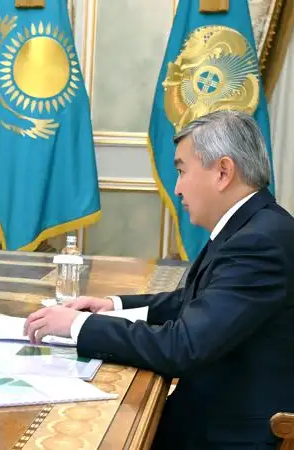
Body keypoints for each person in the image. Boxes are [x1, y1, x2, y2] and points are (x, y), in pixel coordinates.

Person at [24, 110, 294, 449]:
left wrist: (78, 325)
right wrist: (113, 306)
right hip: (213, 411)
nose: (177, 188)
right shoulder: (256, 225)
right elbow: (196, 300)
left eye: (182, 171)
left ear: (223, 172)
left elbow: (183, 347)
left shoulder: (258, 242)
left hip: (229, 435)